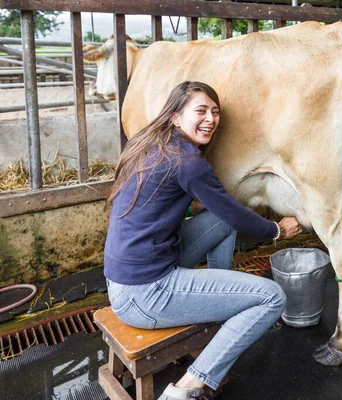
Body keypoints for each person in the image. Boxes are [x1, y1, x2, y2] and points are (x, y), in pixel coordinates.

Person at [103, 81, 302, 400]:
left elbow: (220, 212)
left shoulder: (150, 143)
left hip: (129, 277)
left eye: (215, 111)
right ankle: (186, 388)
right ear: (176, 116)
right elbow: (237, 216)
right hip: (145, 294)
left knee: (221, 217)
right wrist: (277, 230)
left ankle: (218, 303)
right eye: (201, 111)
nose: (210, 118)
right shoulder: (188, 163)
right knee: (272, 297)